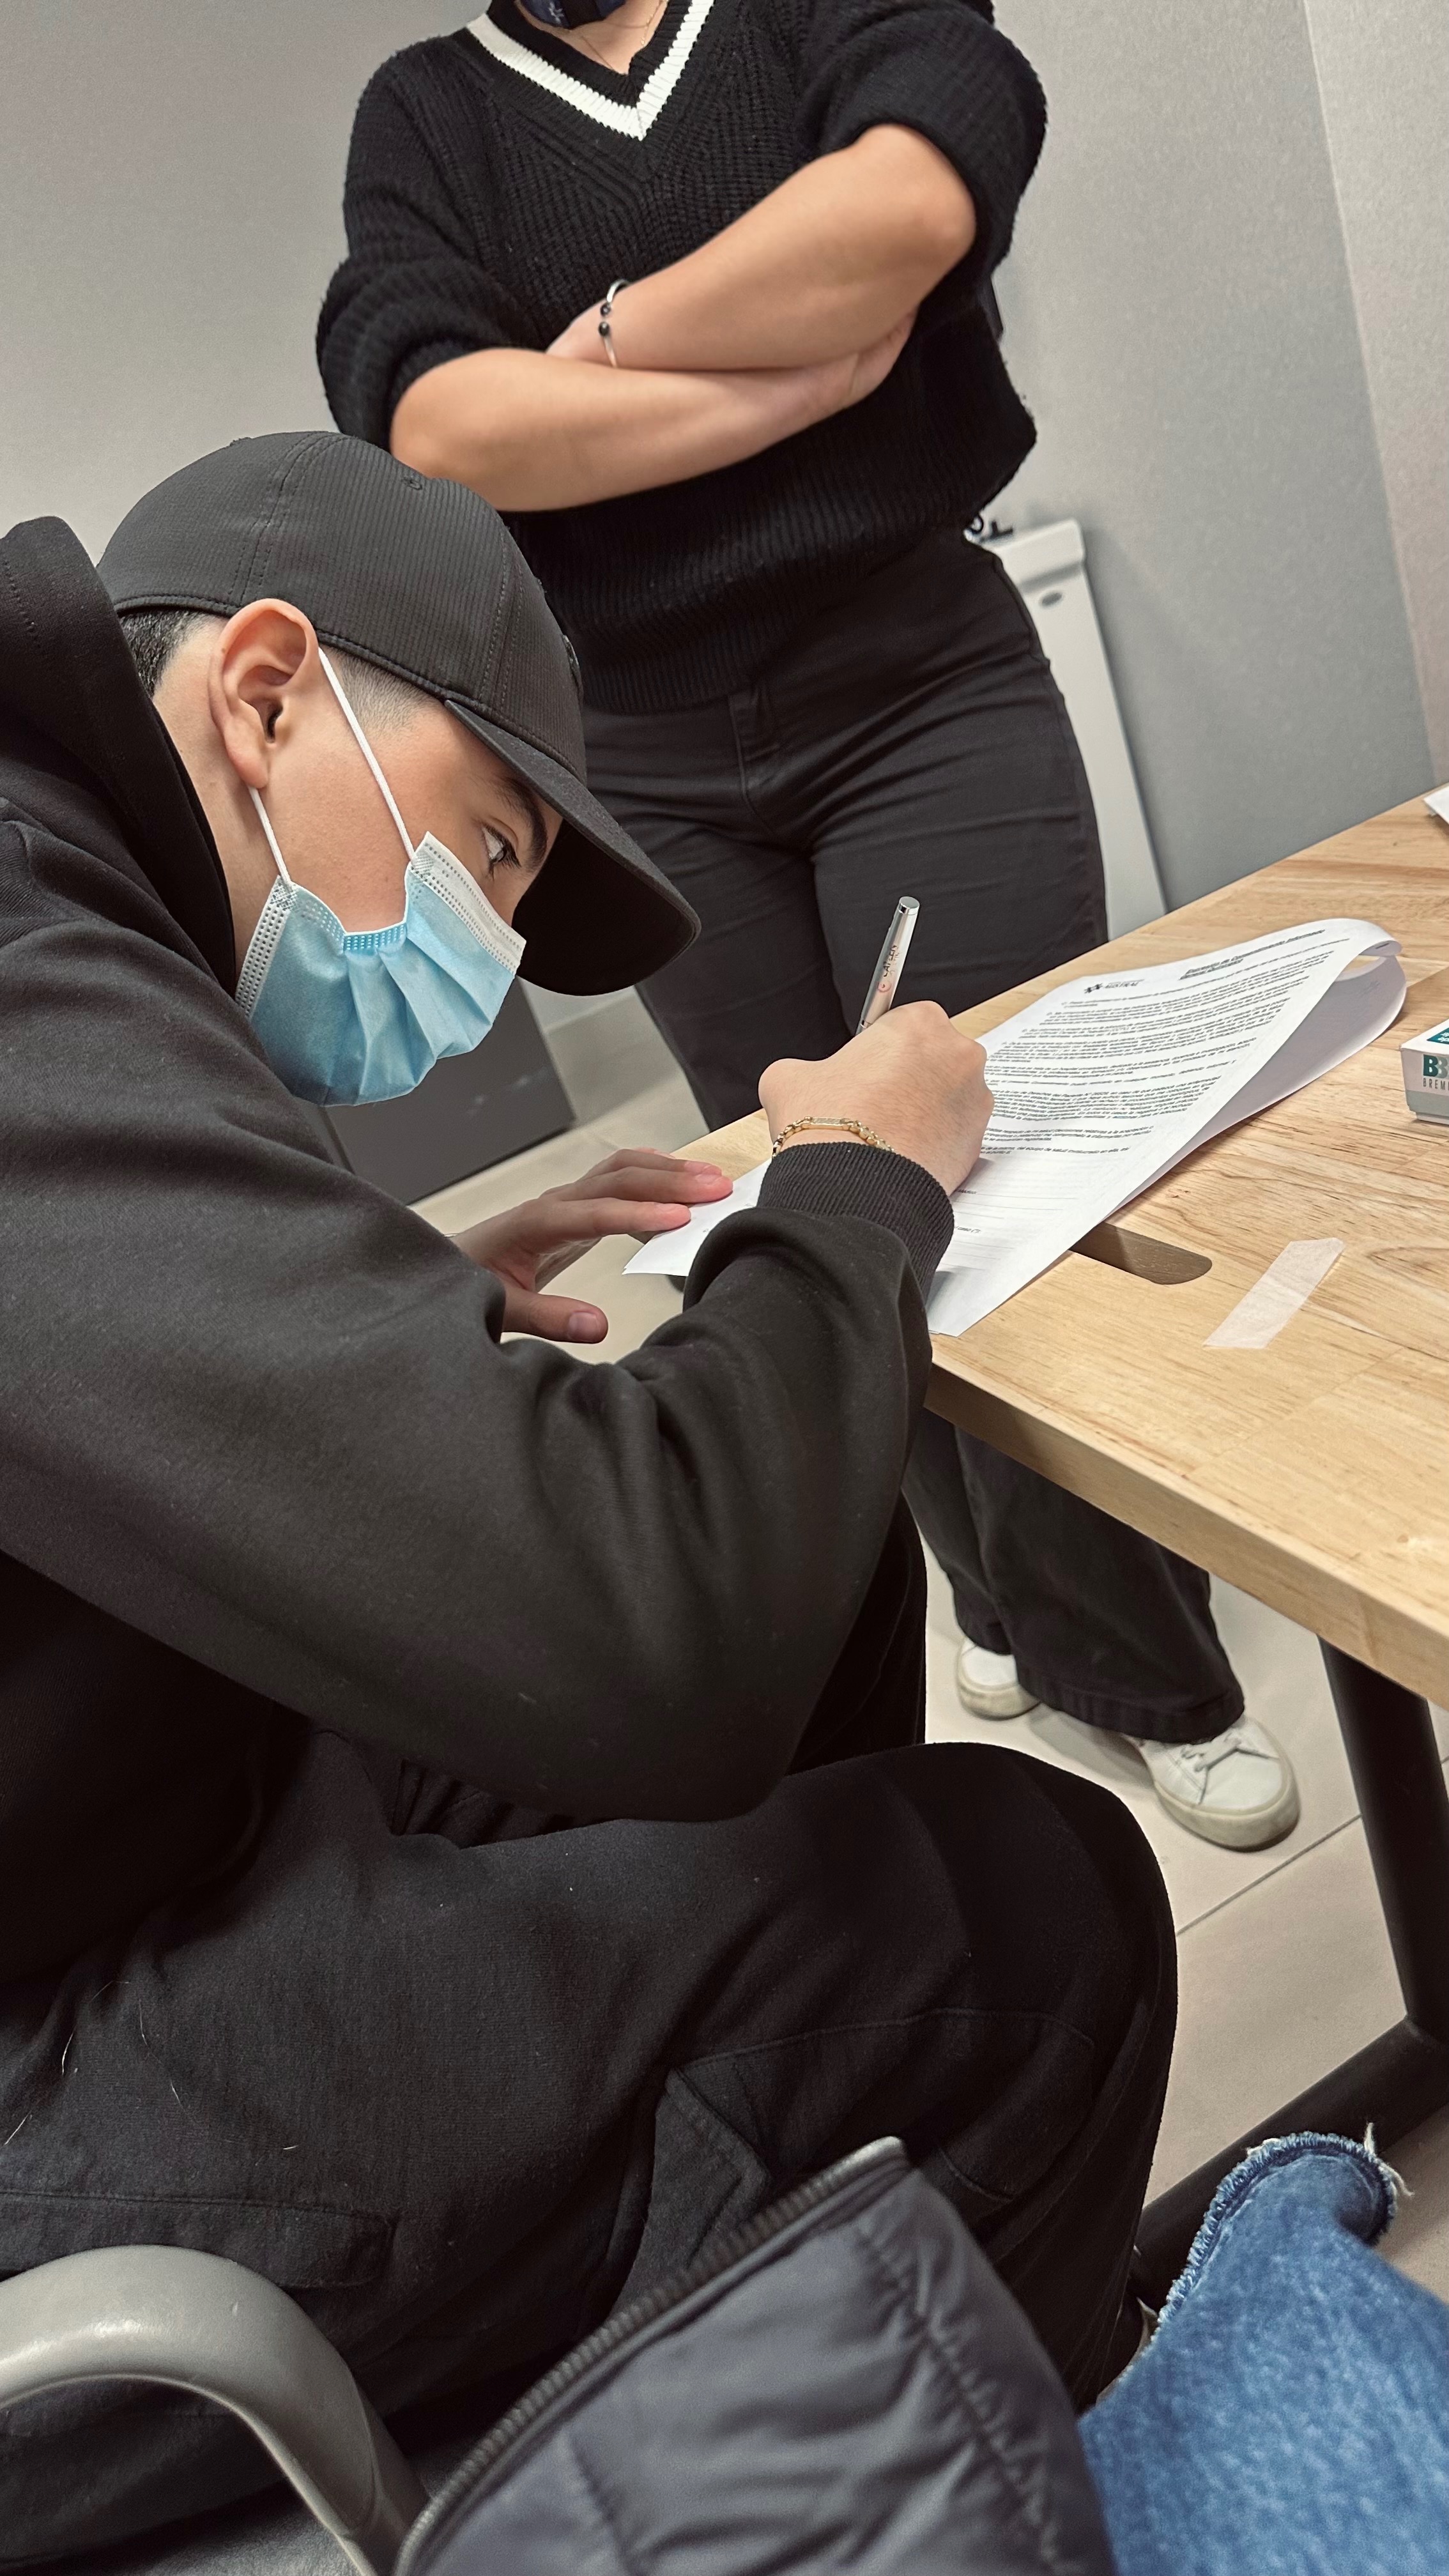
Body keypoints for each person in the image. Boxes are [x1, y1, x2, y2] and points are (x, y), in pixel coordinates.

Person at [0, 431, 1173, 2560]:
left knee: (798, 1552)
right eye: (487, 843)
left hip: (107, 1810)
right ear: (264, 691)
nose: (483, 934)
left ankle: (724, 2210)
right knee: (1019, 1913)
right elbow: (654, 1643)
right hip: (46, 2054)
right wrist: (855, 1182)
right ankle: (837, 2451)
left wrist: (358, 1305)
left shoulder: (68, 893)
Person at [317, 0, 1298, 1853]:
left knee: (1018, 1166)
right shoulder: (428, 109)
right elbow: (440, 426)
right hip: (649, 757)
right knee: (817, 1190)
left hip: (920, 677)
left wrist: (596, 347)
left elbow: (908, 209)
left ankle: (1144, 1673)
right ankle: (991, 1596)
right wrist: (798, 379)